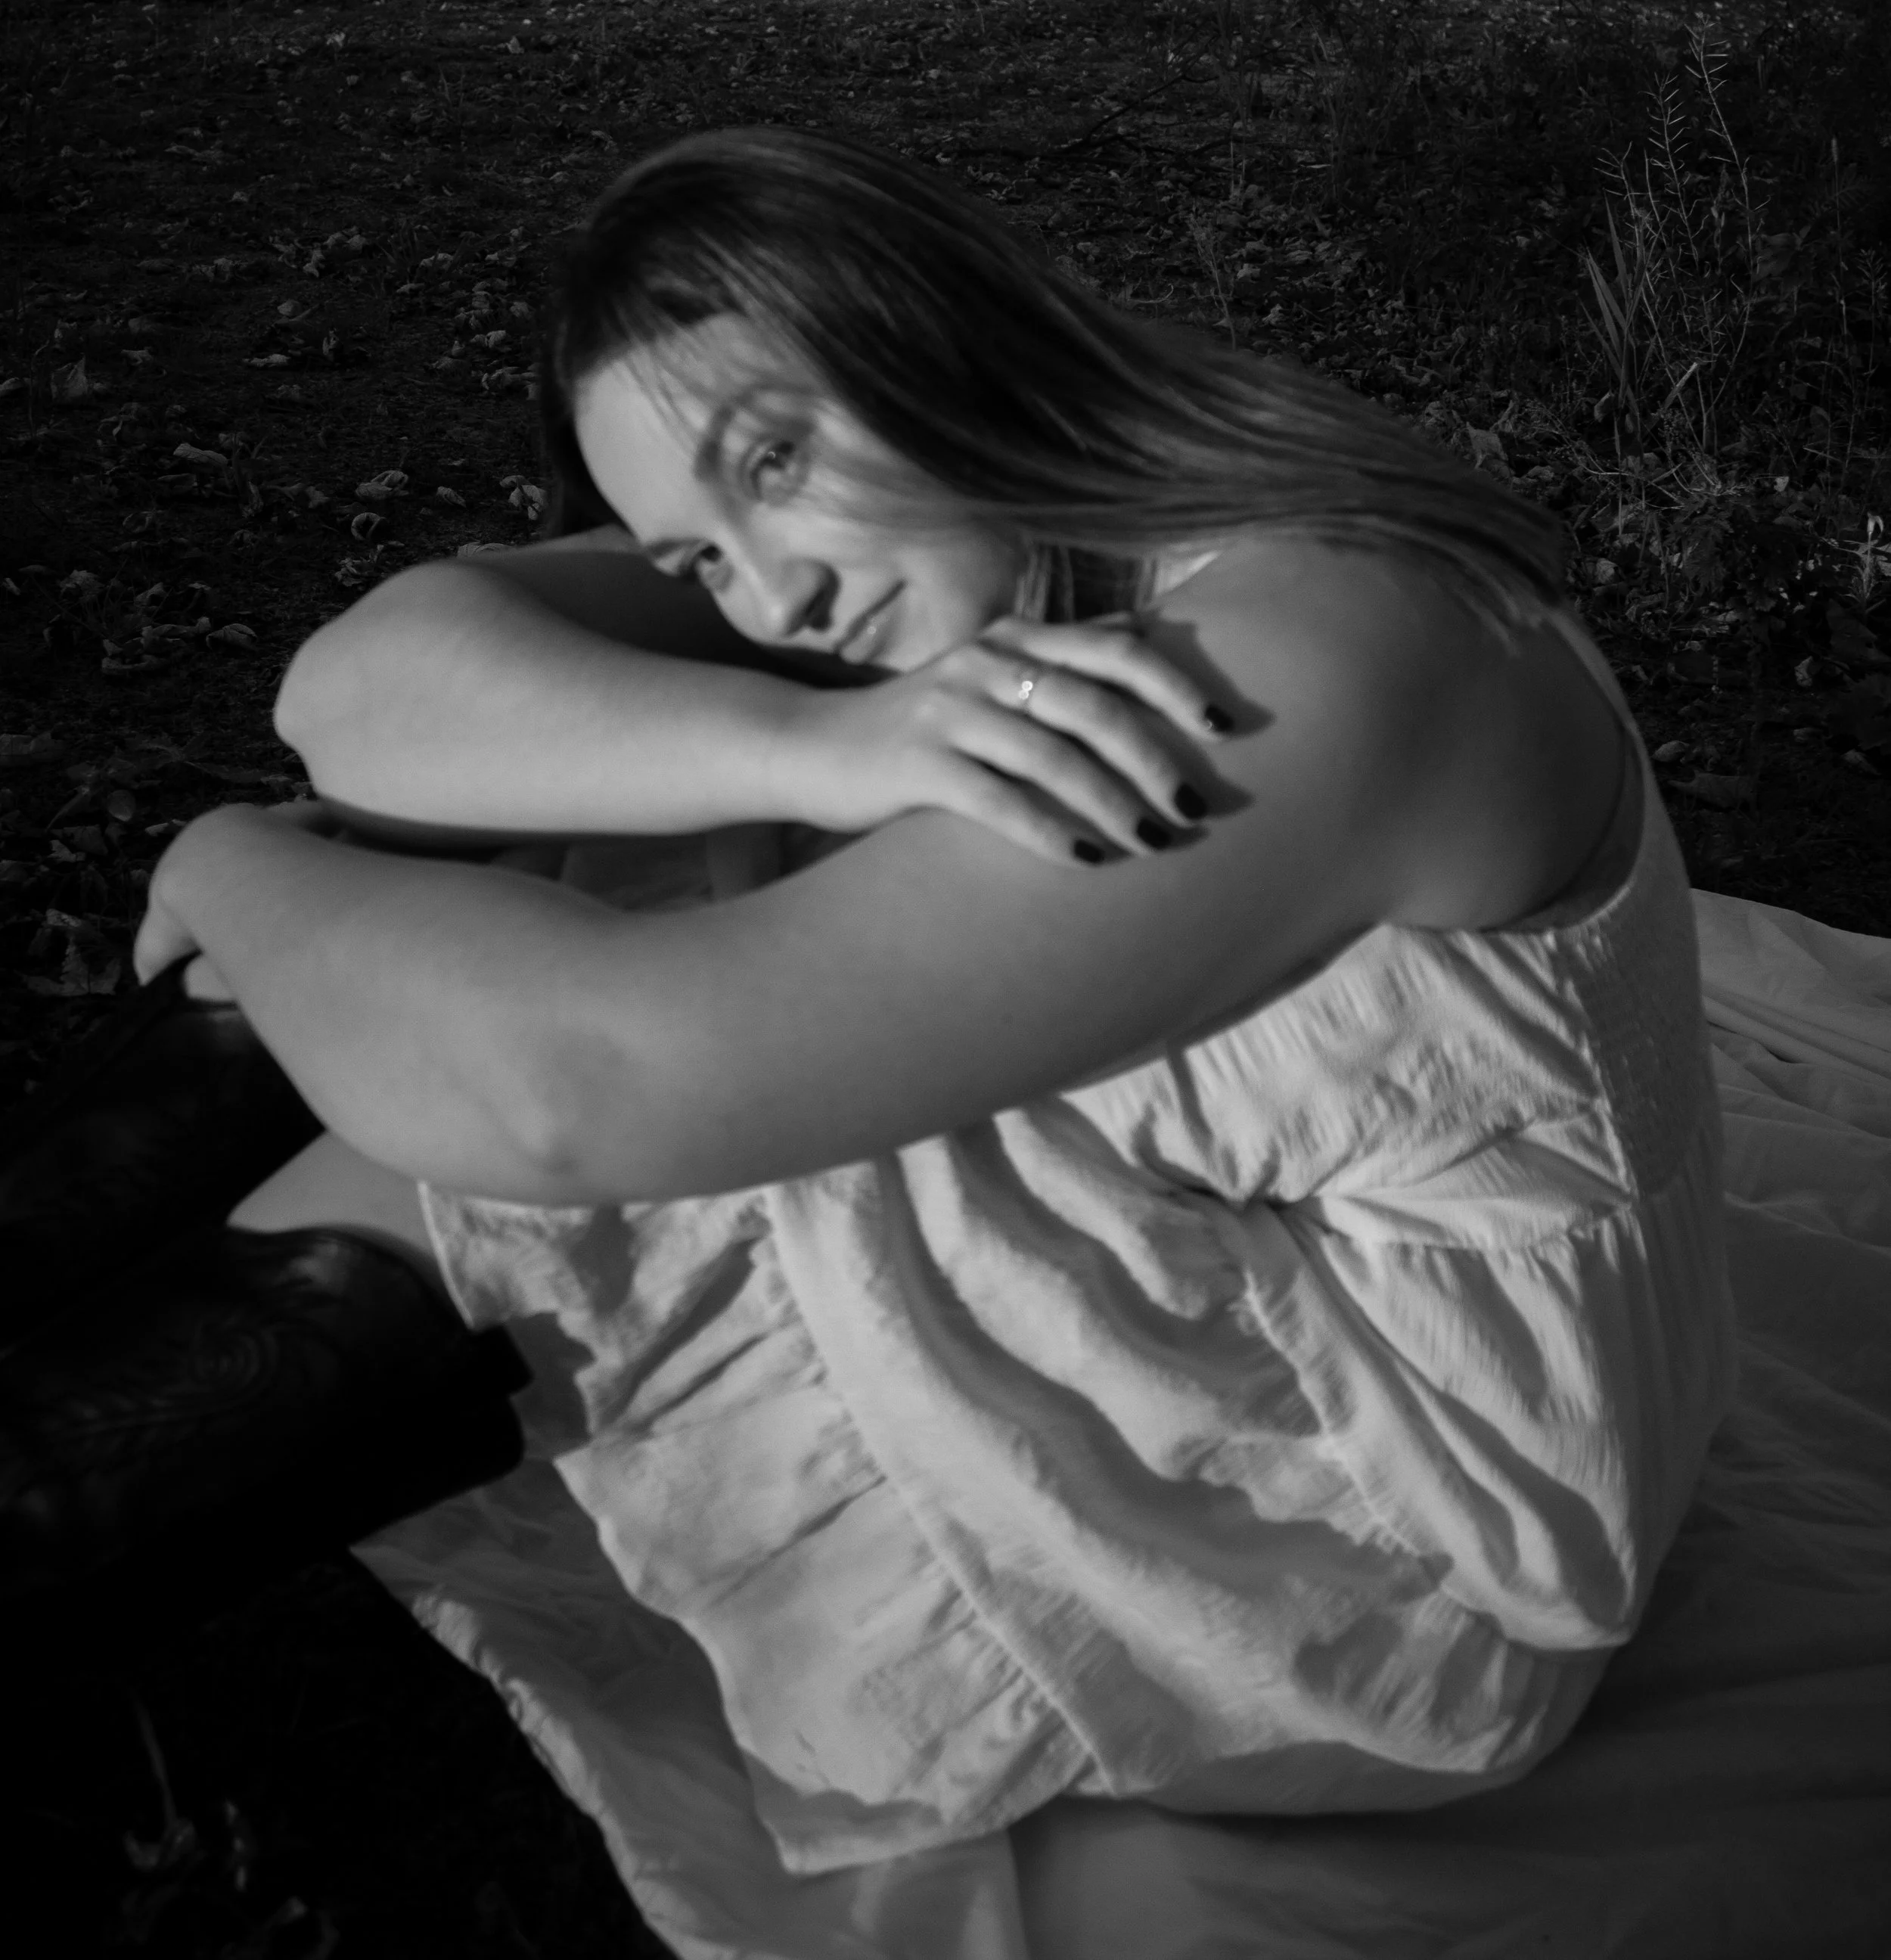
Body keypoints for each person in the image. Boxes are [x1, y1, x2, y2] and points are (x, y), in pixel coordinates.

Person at [2, 129, 1734, 1867]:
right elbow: (352, 697)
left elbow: (578, 1093)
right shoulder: (1026, 524)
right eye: (695, 559)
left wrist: (231, 861)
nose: (773, 591)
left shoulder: (1321, 652)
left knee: (565, 1077)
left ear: (941, 332)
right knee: (498, 864)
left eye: (775, 459)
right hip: (1233, 1313)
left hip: (1369, 1566)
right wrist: (809, 742)